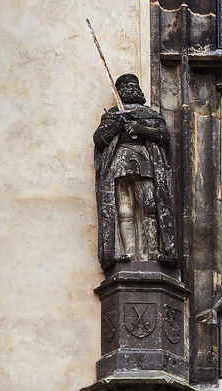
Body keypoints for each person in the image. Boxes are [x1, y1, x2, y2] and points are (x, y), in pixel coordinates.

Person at [94, 73, 178, 270]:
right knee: (125, 209)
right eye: (126, 86)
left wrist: (140, 128)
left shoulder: (150, 114)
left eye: (134, 85)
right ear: (120, 92)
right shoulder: (112, 114)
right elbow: (99, 139)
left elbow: (163, 135)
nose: (131, 88)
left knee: (149, 203)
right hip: (120, 161)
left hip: (145, 160)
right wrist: (117, 125)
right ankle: (129, 252)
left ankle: (152, 251)